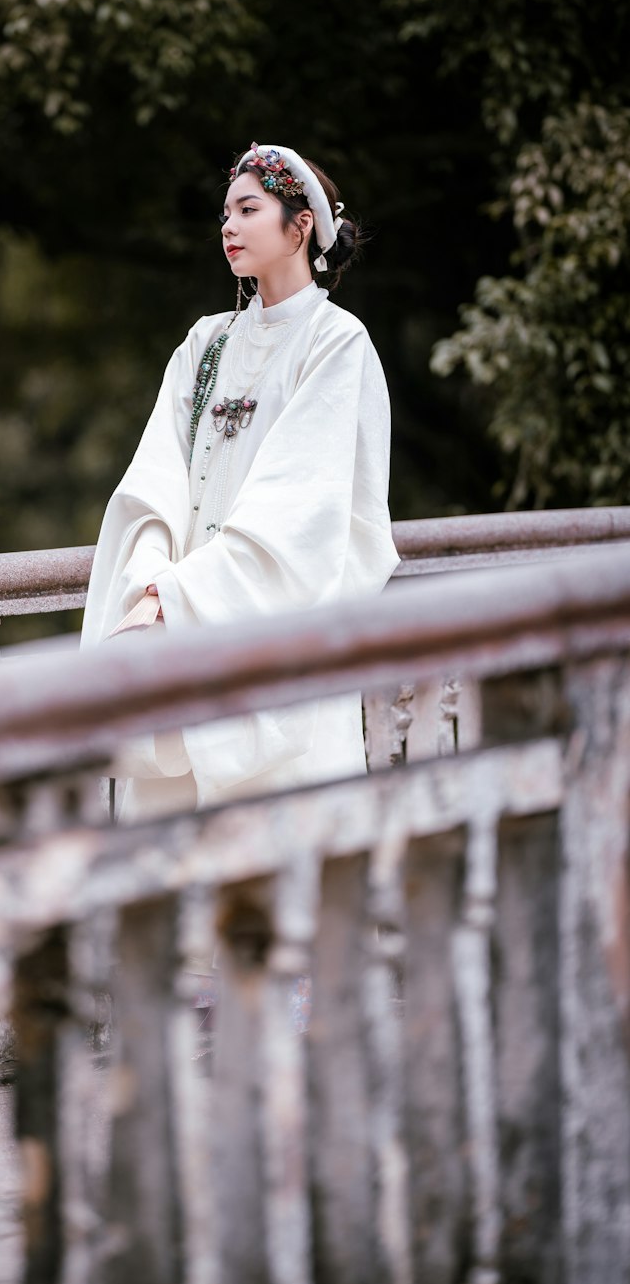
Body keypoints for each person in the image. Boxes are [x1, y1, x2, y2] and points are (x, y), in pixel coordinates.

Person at [81, 143, 399, 822]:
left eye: (248, 209)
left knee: (286, 877)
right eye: (224, 212)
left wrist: (174, 596)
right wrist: (151, 584)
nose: (228, 226)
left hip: (275, 632)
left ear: (301, 224)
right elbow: (153, 481)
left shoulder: (336, 343)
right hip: (179, 633)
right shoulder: (205, 344)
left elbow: (300, 512)